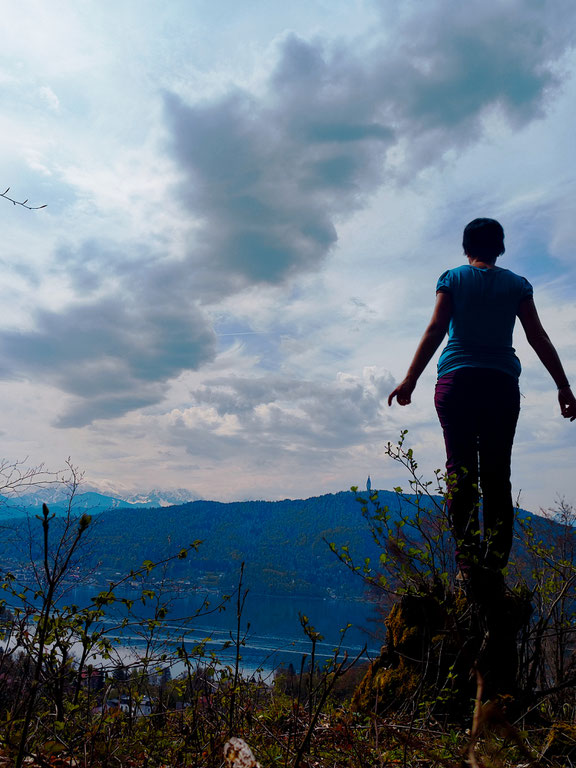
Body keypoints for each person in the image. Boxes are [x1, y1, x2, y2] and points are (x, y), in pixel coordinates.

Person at [388, 218, 576, 579]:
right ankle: (494, 561)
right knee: (496, 474)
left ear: (466, 247)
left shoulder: (453, 278)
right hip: (500, 384)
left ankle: (467, 564)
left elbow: (436, 328)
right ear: (500, 247)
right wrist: (563, 386)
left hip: (457, 382)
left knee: (461, 471)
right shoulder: (517, 285)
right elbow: (538, 336)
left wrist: (411, 379)